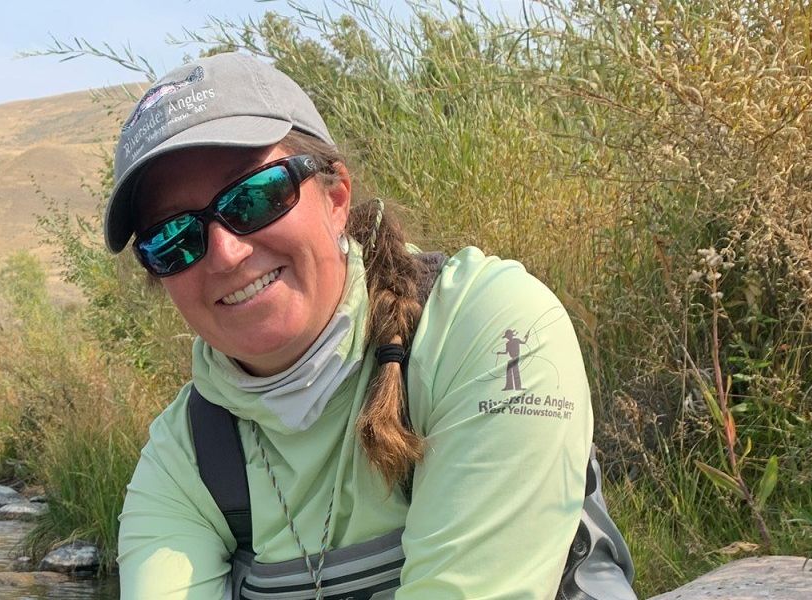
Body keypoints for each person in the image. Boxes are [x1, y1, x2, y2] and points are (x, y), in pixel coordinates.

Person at [105, 53, 633, 598]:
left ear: (336, 198)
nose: (226, 253)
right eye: (172, 238)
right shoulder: (183, 458)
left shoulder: (490, 331)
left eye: (255, 197)